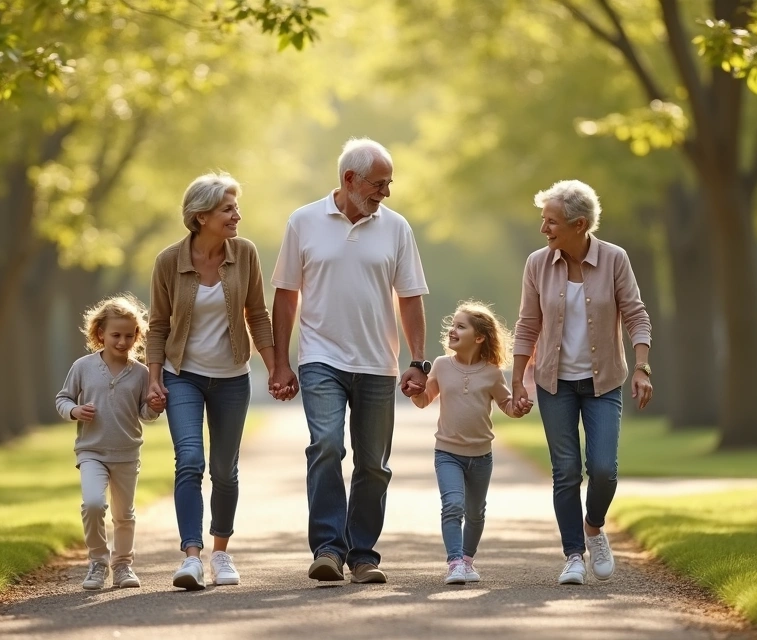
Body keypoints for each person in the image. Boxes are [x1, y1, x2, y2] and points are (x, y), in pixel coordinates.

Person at [269, 137, 429, 584]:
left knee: (374, 463)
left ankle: (362, 555)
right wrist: (280, 363)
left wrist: (420, 360)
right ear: (349, 179)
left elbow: (411, 297)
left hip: (379, 362)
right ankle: (327, 549)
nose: (386, 192)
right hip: (321, 357)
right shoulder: (303, 221)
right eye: (379, 183)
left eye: (389, 183)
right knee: (326, 446)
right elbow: (285, 297)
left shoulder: (397, 228)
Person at [511, 179, 653, 586]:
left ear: (580, 224)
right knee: (566, 470)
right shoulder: (537, 264)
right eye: (544, 221)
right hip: (554, 383)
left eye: (551, 222)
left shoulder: (614, 259)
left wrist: (642, 367)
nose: (544, 229)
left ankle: (594, 527)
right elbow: (527, 325)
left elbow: (636, 315)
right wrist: (519, 381)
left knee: (604, 469)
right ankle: (573, 554)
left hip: (603, 382)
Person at [146, 172, 278, 591]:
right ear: (201, 216)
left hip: (231, 377)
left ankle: (221, 554)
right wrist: (153, 378)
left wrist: (276, 368)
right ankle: (191, 558)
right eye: (228, 209)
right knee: (189, 460)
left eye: (236, 208)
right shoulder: (170, 260)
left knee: (224, 470)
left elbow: (257, 314)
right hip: (182, 376)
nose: (237, 215)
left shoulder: (245, 254)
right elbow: (157, 326)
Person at [406, 300, 532, 585]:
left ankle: (467, 560)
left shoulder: (491, 372)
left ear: (479, 337)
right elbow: (424, 399)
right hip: (447, 453)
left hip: (481, 456)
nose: (452, 330)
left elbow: (507, 406)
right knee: (452, 504)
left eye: (460, 326)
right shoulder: (441, 365)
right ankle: (454, 563)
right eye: (452, 325)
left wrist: (519, 408)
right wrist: (415, 392)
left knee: (475, 513)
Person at [56, 294, 165, 591]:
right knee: (92, 504)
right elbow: (63, 399)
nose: (122, 341)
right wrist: (74, 410)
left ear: (137, 336)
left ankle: (123, 565)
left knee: (124, 515)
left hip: (127, 453)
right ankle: (97, 561)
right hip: (92, 451)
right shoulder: (83, 367)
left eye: (129, 336)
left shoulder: (141, 373)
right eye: (115, 335)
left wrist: (155, 406)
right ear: (100, 333)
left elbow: (145, 414)